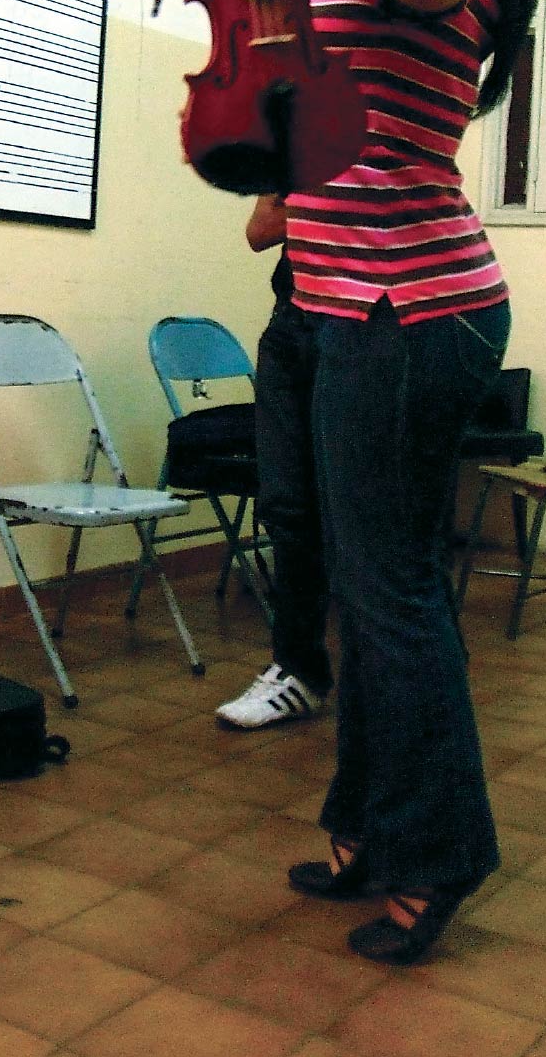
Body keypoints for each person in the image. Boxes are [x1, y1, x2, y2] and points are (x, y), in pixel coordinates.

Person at [199, 0, 535, 964]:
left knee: (391, 596)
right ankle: (368, 827)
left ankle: (436, 858)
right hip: (356, 302)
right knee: (363, 585)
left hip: (410, 307)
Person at [216, 195, 330, 728]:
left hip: (367, 321)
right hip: (292, 323)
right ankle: (297, 671)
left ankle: (404, 676)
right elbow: (261, 229)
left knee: (372, 510)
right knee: (286, 507)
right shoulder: (295, 125)